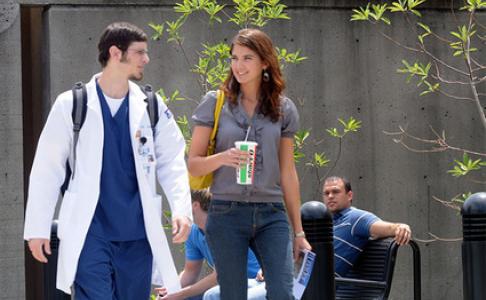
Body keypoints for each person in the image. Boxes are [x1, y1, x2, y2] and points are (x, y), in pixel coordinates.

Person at [23, 22, 192, 299]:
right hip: (91, 230)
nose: (146, 59)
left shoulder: (151, 105)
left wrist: (181, 209)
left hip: (137, 234)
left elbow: (172, 160)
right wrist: (38, 228)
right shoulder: (72, 104)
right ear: (116, 52)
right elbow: (47, 169)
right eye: (140, 52)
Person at [188, 28, 311, 300]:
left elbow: (288, 172)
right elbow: (193, 164)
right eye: (234, 58)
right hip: (226, 212)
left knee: (282, 292)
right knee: (233, 295)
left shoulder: (283, 108)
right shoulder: (214, 102)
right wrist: (223, 158)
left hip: (271, 212)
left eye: (247, 58)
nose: (238, 66)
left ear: (265, 62)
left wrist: (299, 231)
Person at [156, 189, 266, 300]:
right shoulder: (193, 232)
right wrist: (171, 290)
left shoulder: (225, 226)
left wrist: (180, 294)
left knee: (211, 295)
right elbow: (190, 272)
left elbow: (220, 275)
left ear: (195, 205)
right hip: (230, 285)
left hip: (256, 281)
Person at [322, 176, 412, 277]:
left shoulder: (355, 218)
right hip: (313, 284)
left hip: (322, 288)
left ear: (349, 195)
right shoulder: (327, 223)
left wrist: (401, 227)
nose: (330, 196)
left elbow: (389, 228)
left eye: (335, 191)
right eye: (326, 193)